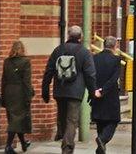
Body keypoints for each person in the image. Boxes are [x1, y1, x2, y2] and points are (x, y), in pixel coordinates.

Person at [41, 25, 96, 154]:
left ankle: (62, 135)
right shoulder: (84, 52)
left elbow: (48, 71)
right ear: (80, 37)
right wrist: (92, 92)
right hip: (75, 92)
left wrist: (45, 90)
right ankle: (67, 147)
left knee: (62, 117)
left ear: (68, 36)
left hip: (59, 90)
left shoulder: (58, 50)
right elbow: (90, 74)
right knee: (72, 120)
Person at [90, 36, 121, 154]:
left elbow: (91, 76)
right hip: (110, 96)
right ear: (115, 46)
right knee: (114, 121)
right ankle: (102, 140)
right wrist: (103, 91)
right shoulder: (116, 60)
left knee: (100, 123)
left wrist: (95, 90)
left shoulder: (94, 58)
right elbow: (113, 79)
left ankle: (100, 150)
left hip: (96, 95)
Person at [1, 40, 33, 154]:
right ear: (23, 49)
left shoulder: (7, 62)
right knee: (16, 121)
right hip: (20, 93)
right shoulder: (26, 61)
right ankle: (8, 146)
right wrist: (29, 96)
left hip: (9, 92)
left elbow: (3, 80)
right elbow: (26, 82)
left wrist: (3, 96)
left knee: (15, 119)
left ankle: (23, 143)